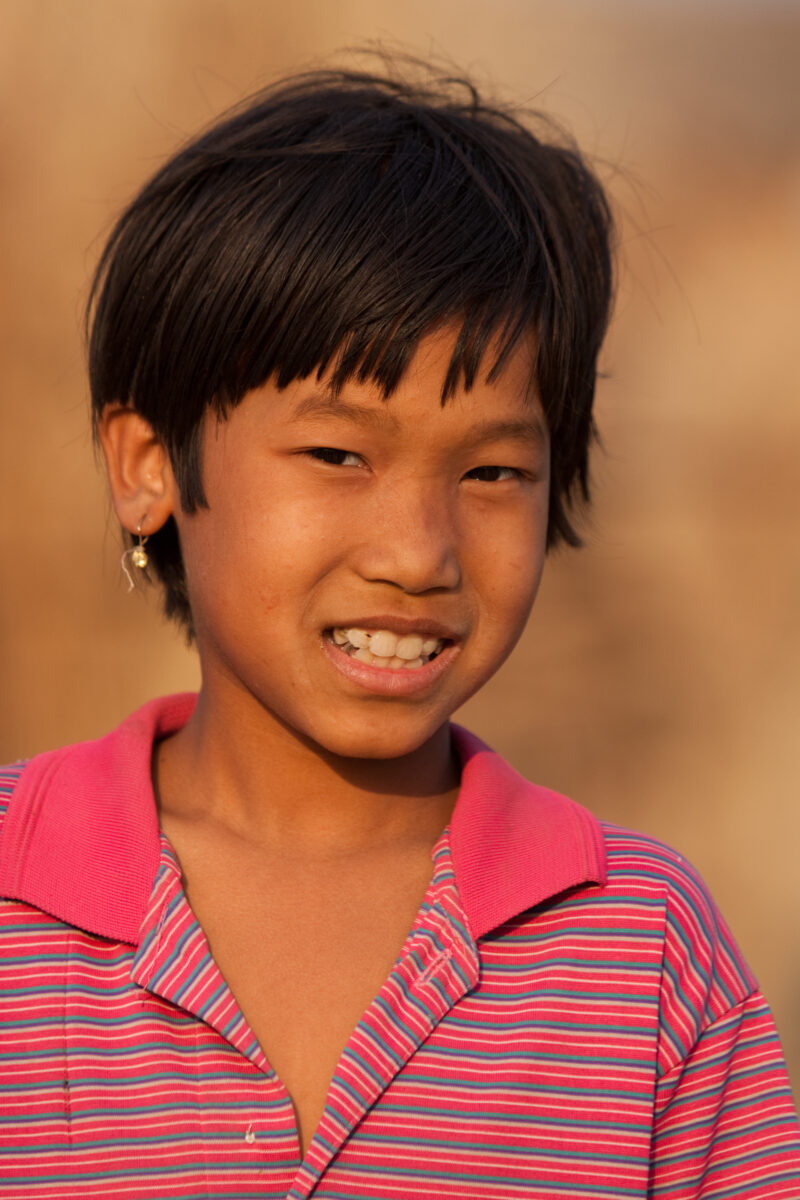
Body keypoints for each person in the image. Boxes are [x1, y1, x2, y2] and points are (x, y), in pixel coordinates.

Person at [0, 61, 797, 1199]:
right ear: (146, 470)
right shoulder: (15, 905)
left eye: (490, 470)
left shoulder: (641, 954)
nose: (417, 551)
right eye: (337, 455)